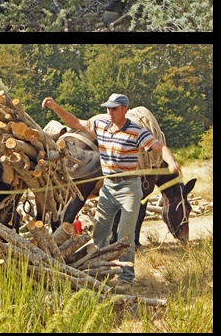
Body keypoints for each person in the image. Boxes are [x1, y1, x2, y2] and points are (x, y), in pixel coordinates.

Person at [42, 92, 181, 284]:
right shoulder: (100, 125)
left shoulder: (136, 131)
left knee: (124, 235)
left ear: (124, 110)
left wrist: (171, 161)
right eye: (108, 108)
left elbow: (160, 148)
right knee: (99, 232)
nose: (110, 111)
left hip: (129, 189)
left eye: (114, 108)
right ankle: (97, 272)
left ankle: (126, 277)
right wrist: (56, 107)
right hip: (108, 188)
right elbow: (75, 123)